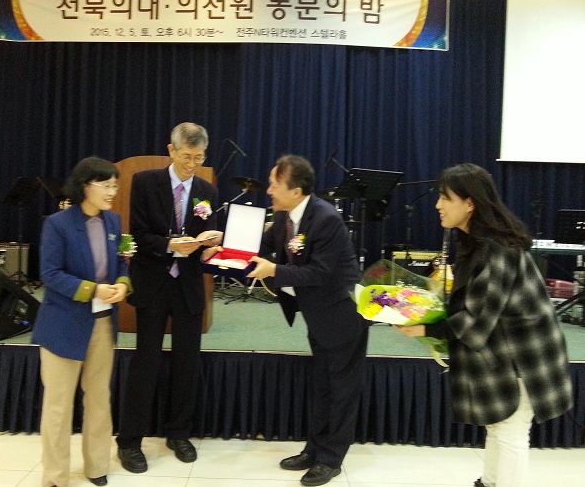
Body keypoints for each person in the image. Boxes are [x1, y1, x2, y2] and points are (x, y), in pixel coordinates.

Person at [396, 163, 573, 487]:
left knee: (510, 431)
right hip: (503, 354)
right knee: (500, 425)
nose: (437, 205)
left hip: (523, 359)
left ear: (470, 203)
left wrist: (424, 328)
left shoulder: (498, 250)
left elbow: (477, 319)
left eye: (445, 198)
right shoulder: (477, 242)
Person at [248, 155, 369, 487]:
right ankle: (314, 449)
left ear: (296, 191)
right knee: (322, 386)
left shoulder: (326, 219)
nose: (268, 190)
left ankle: (331, 459)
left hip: (343, 316)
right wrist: (225, 245)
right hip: (317, 315)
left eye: (274, 184)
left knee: (342, 390)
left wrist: (274, 270)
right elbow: (262, 245)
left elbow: (319, 272)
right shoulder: (284, 215)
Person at [116, 122, 222, 472]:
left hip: (188, 286)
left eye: (199, 157)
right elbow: (139, 233)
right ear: (171, 150)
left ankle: (179, 433)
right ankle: (130, 441)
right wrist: (170, 245)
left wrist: (211, 244)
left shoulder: (207, 190)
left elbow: (207, 237)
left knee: (187, 362)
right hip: (153, 282)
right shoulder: (146, 182)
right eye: (187, 156)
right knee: (146, 361)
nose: (192, 164)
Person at [32, 156, 132, 487]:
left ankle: (97, 466)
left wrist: (122, 284)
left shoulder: (114, 221)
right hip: (63, 325)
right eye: (107, 185)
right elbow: (50, 274)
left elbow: (123, 262)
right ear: (85, 186)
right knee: (58, 406)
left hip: (102, 323)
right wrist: (92, 290)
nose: (112, 192)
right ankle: (55, 476)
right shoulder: (57, 224)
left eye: (115, 185)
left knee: (99, 398)